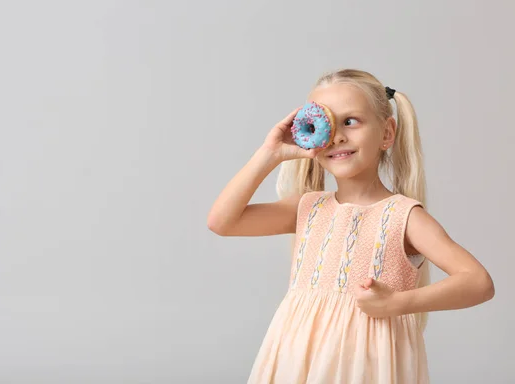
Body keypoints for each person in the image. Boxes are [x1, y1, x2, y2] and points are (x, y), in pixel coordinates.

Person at [206, 68, 495, 383]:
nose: (338, 136)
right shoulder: (307, 208)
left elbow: (478, 282)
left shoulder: (402, 216)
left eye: (351, 121)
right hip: (298, 362)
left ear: (386, 133)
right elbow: (222, 221)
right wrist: (270, 153)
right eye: (326, 124)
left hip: (365, 369)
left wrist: (397, 303)